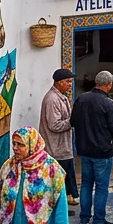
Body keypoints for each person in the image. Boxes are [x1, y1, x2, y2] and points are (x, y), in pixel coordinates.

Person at [72, 70, 113, 224]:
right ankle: (99, 220)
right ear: (108, 85)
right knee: (102, 187)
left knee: (86, 184)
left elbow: (73, 121)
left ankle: (84, 218)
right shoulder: (108, 103)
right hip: (102, 152)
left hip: (84, 150)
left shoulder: (81, 99)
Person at [40, 68, 76, 205]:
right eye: (68, 81)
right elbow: (54, 125)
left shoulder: (61, 97)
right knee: (57, 182)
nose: (70, 85)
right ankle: (57, 208)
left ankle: (63, 204)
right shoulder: (52, 99)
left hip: (62, 147)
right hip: (55, 148)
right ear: (59, 82)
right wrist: (72, 121)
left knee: (63, 180)